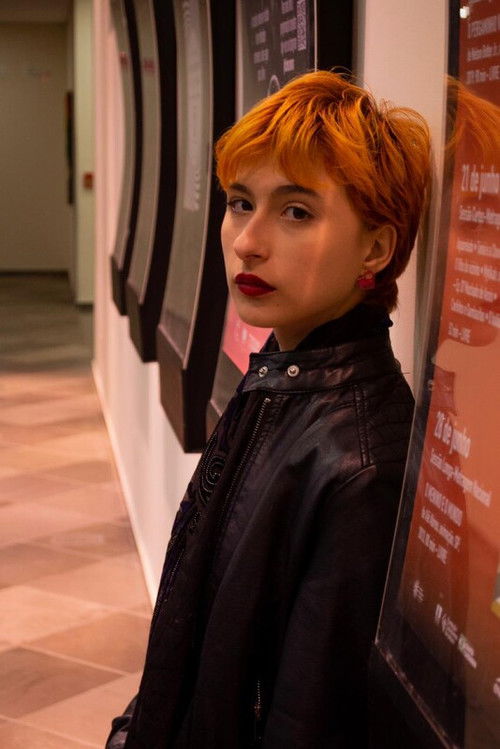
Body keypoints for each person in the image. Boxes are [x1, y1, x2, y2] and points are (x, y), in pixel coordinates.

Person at [106, 70, 431, 748]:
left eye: (296, 211)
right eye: (239, 202)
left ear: (376, 247)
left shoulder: (362, 464)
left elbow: (304, 722)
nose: (247, 241)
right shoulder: (283, 378)